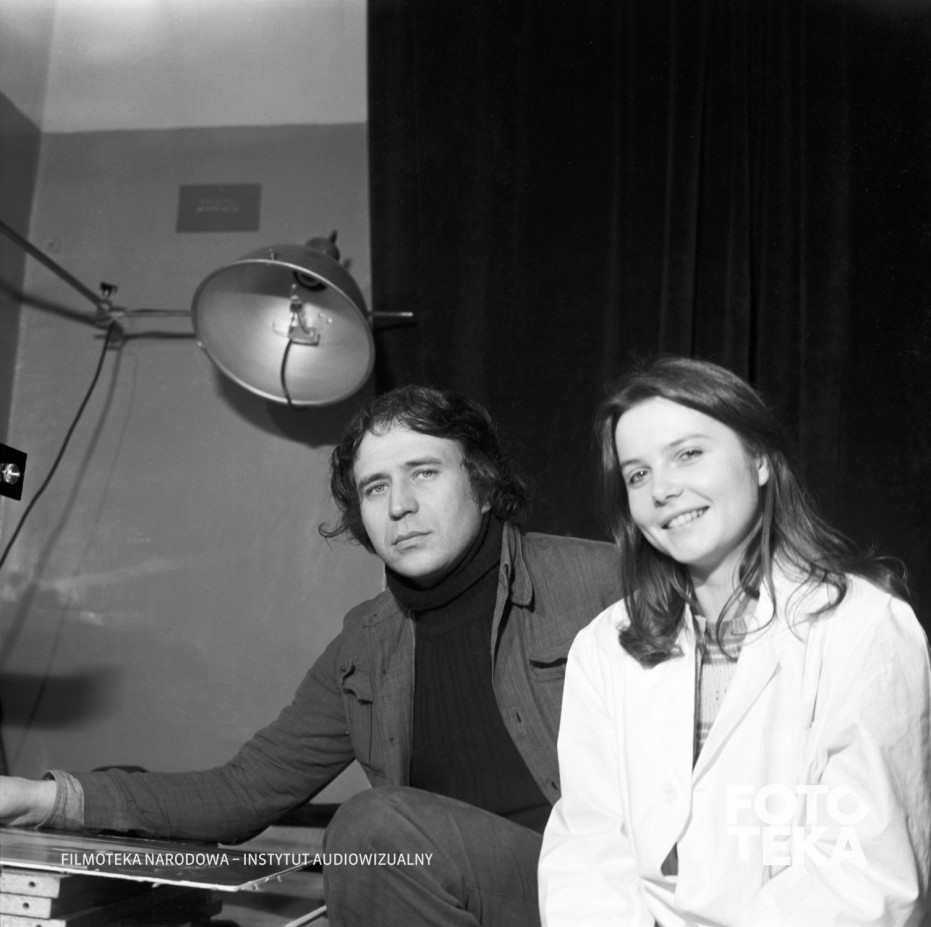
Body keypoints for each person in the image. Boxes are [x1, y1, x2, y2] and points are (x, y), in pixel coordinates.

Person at [0, 384, 622, 927]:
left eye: (424, 472)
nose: (399, 505)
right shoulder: (365, 646)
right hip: (455, 895)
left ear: (483, 486)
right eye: (376, 486)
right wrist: (39, 799)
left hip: (600, 890)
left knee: (370, 831)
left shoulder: (601, 583)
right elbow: (241, 791)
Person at [538, 356, 931, 927]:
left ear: (761, 459)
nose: (662, 489)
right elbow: (589, 855)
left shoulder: (865, 626)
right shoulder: (604, 646)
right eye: (638, 474)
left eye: (688, 454)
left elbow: (865, 881)